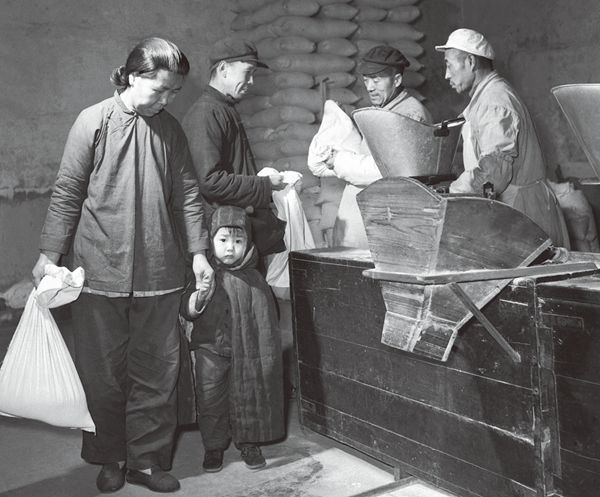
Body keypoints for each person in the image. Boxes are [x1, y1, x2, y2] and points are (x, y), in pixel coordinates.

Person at [31, 37, 213, 494]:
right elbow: (68, 191)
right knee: (103, 374)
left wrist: (198, 253)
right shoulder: (92, 122)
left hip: (159, 273)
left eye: (174, 91)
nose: (168, 100)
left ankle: (146, 462)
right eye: (161, 90)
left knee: (156, 373)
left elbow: (188, 194)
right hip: (98, 273)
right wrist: (48, 256)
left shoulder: (170, 130)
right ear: (133, 76)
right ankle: (109, 456)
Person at [435, 28, 570, 248]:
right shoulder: (487, 97)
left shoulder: (494, 101)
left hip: (524, 215)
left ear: (470, 61)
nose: (446, 75)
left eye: (449, 64)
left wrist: (453, 191)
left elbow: (494, 172)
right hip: (518, 211)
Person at [180, 205, 285, 474]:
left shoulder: (254, 278)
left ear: (248, 243)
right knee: (211, 399)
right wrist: (200, 296)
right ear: (210, 241)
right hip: (210, 350)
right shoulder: (204, 274)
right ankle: (213, 446)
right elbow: (187, 310)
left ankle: (248, 442)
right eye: (223, 240)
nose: (230, 248)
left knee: (248, 394)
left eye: (238, 241)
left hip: (246, 351)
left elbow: (266, 320)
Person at [314, 45, 433, 248]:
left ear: (396, 80)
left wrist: (340, 161)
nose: (369, 87)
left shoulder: (408, 115)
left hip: (387, 220)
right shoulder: (385, 110)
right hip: (372, 216)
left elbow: (387, 170)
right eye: (367, 80)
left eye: (376, 80)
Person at [182, 37, 286, 261]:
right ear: (223, 69)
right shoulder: (206, 113)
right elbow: (209, 181)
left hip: (233, 229)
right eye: (247, 73)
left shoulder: (223, 108)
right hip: (221, 238)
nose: (251, 82)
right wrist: (265, 185)